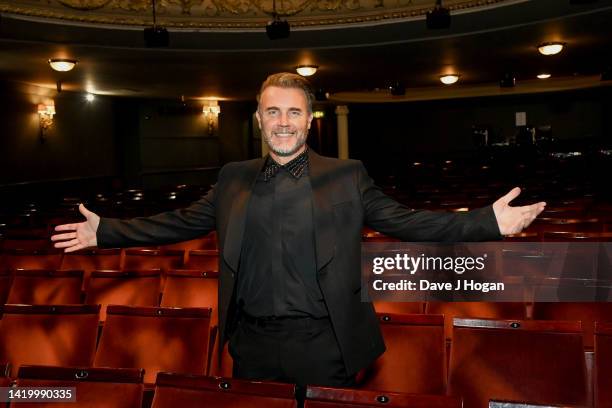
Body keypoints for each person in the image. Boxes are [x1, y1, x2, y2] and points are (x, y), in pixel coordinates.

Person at [51, 72, 545, 388]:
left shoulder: (346, 175)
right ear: (260, 120)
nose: (283, 122)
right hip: (251, 346)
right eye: (273, 111)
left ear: (309, 121)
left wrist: (486, 221)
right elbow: (177, 222)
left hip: (325, 344)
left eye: (293, 112)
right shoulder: (232, 178)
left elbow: (409, 221)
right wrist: (106, 232)